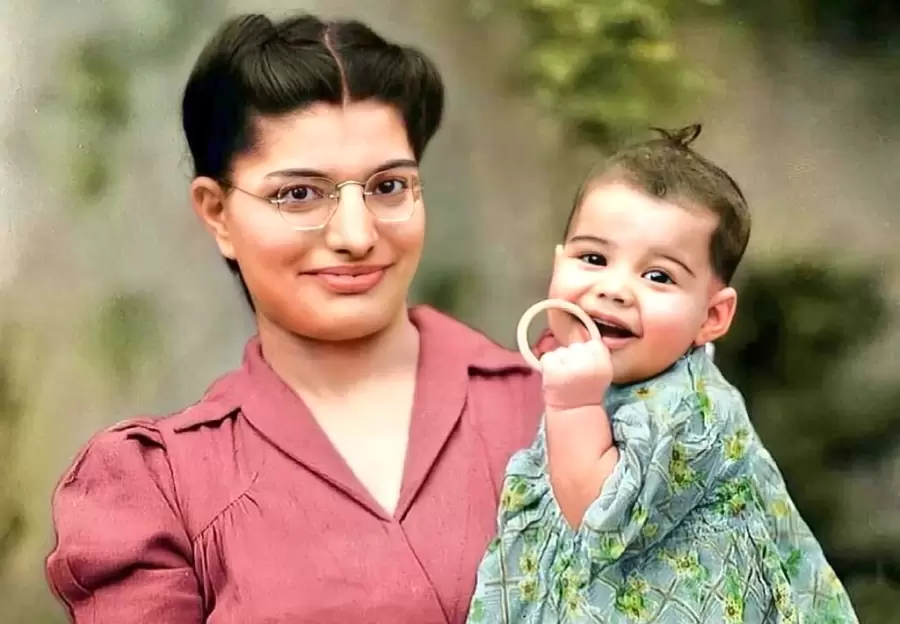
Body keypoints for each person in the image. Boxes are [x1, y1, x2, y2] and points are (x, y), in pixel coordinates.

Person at [44, 13, 547, 624]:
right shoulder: (160, 489)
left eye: (389, 186)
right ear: (217, 213)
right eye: (299, 194)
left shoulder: (560, 405)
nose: (357, 236)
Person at [466, 125, 859, 622]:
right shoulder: (608, 383)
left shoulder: (689, 410)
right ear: (557, 265)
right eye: (593, 258)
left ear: (711, 317)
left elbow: (600, 519)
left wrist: (573, 405)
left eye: (658, 276)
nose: (614, 288)